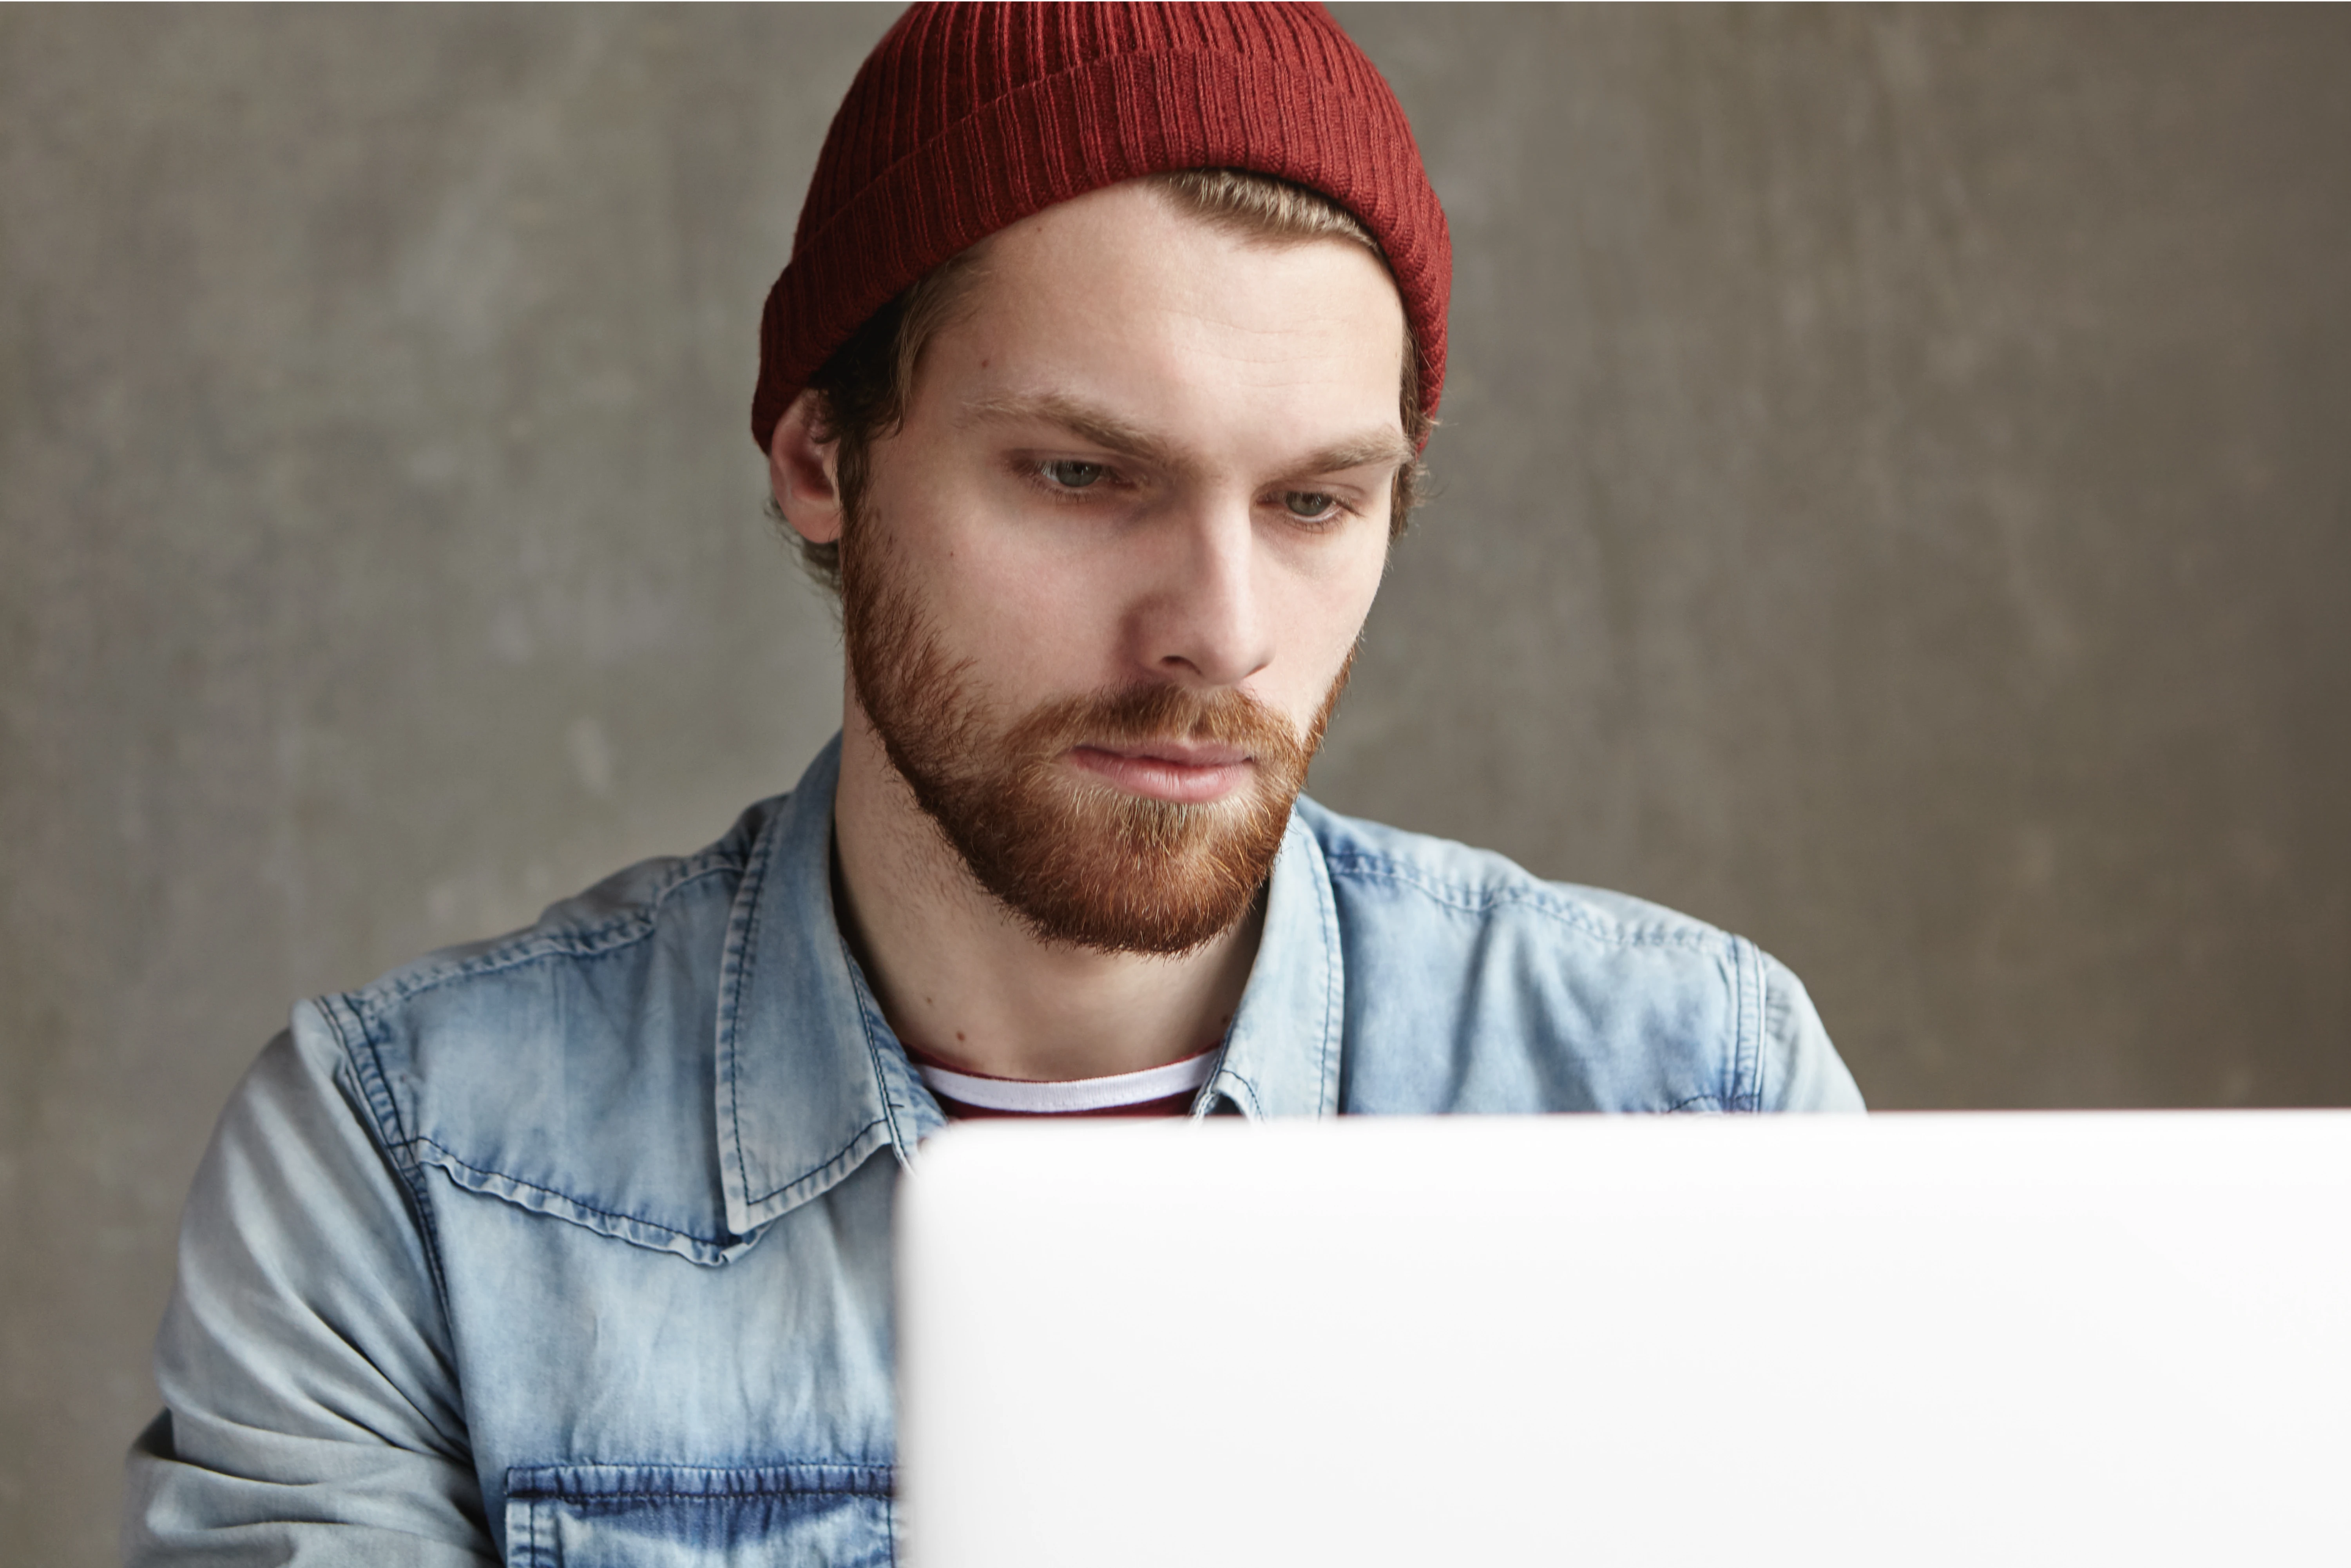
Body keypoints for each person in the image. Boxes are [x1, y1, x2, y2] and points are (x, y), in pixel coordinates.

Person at [126, 2, 1863, 1562]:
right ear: (826, 457)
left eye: (1317, 501)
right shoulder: (410, 1182)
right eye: (1082, 472)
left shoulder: (1690, 1101)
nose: (1222, 635)